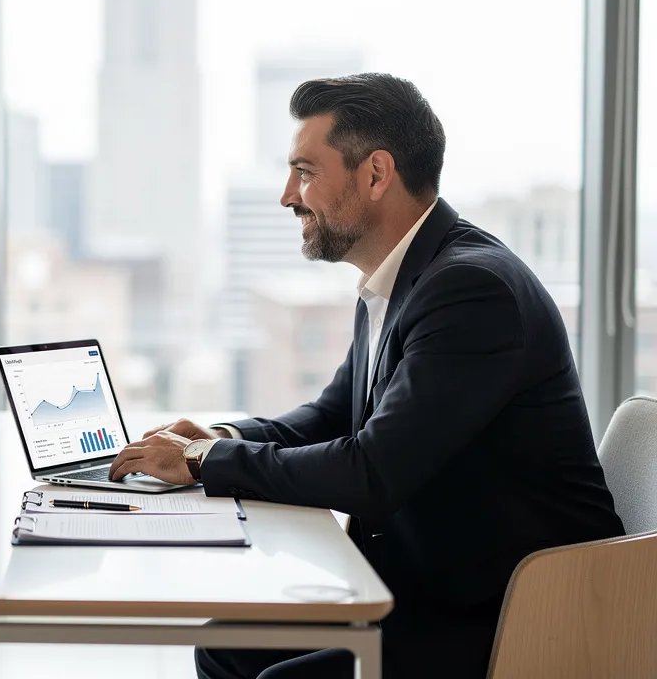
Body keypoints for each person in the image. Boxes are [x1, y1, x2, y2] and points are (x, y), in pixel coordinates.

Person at [109, 74, 624, 679]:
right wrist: (221, 436)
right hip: (437, 588)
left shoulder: (471, 291)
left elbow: (373, 472)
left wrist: (202, 462)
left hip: (522, 612)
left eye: (305, 172)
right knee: (228, 644)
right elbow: (331, 417)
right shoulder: (398, 281)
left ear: (376, 174)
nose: (287, 196)